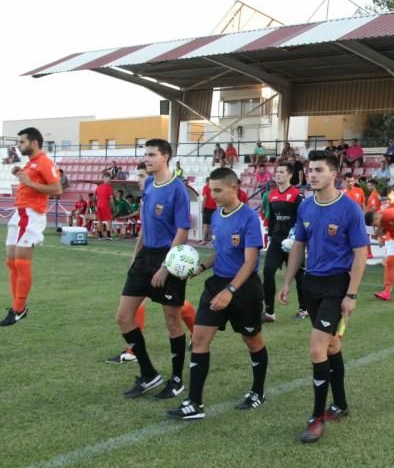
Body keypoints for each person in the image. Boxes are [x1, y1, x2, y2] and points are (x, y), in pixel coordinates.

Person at [278, 150, 368, 444]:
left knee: (317, 348)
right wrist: (288, 282)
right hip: (311, 283)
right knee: (330, 345)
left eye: (318, 170)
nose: (312, 175)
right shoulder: (305, 206)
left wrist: (351, 294)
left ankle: (316, 417)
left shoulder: (349, 209)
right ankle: (340, 405)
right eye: (309, 170)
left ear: (333, 174)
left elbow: (360, 254)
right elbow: (297, 247)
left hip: (337, 285)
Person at [166, 168, 268, 420]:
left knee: (252, 340)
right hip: (216, 284)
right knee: (200, 339)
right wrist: (199, 268)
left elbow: (249, 262)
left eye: (218, 190)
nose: (213, 195)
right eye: (211, 190)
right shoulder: (218, 217)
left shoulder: (248, 219)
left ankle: (258, 391)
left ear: (235, 188)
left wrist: (230, 291)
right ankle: (194, 403)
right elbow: (221, 253)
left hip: (244, 288)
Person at [114, 138, 193, 399]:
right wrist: (136, 254)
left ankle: (177, 379)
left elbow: (182, 230)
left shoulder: (178, 189)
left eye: (152, 155)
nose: (147, 159)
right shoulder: (148, 184)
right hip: (145, 256)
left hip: (167, 257)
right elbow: (145, 223)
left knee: (172, 320)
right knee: (124, 316)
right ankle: (149, 374)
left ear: (166, 157)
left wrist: (166, 266)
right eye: (145, 154)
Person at [0, 127, 63, 327]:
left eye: (22, 142)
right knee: (11, 262)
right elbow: (29, 181)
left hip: (32, 214)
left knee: (21, 263)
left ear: (34, 143)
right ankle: (16, 305)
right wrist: (20, 173)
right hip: (19, 213)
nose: (19, 145)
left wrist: (29, 182)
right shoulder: (31, 163)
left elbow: (57, 189)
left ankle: (19, 308)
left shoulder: (44, 162)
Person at [263, 163, 307, 322]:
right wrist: (270, 236)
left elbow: (302, 218)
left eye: (281, 172)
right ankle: (269, 311)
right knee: (268, 271)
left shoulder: (297, 195)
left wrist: (296, 238)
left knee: (299, 275)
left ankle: (304, 309)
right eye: (276, 172)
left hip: (293, 242)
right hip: (276, 240)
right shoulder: (271, 195)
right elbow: (272, 219)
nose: (278, 174)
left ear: (289, 175)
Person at [94, 173, 115, 240]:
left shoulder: (98, 187)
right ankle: (108, 235)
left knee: (100, 220)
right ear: (104, 178)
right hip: (105, 205)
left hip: (98, 205)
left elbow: (95, 198)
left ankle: (100, 235)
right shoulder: (109, 188)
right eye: (109, 179)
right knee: (109, 220)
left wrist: (96, 204)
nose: (109, 180)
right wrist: (113, 207)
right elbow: (111, 199)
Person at [200, 177, 216, 244]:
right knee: (213, 225)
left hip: (207, 208)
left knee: (205, 225)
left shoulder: (206, 187)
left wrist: (202, 208)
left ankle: (204, 240)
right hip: (214, 208)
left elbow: (205, 198)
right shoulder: (214, 188)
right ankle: (213, 241)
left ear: (206, 182)